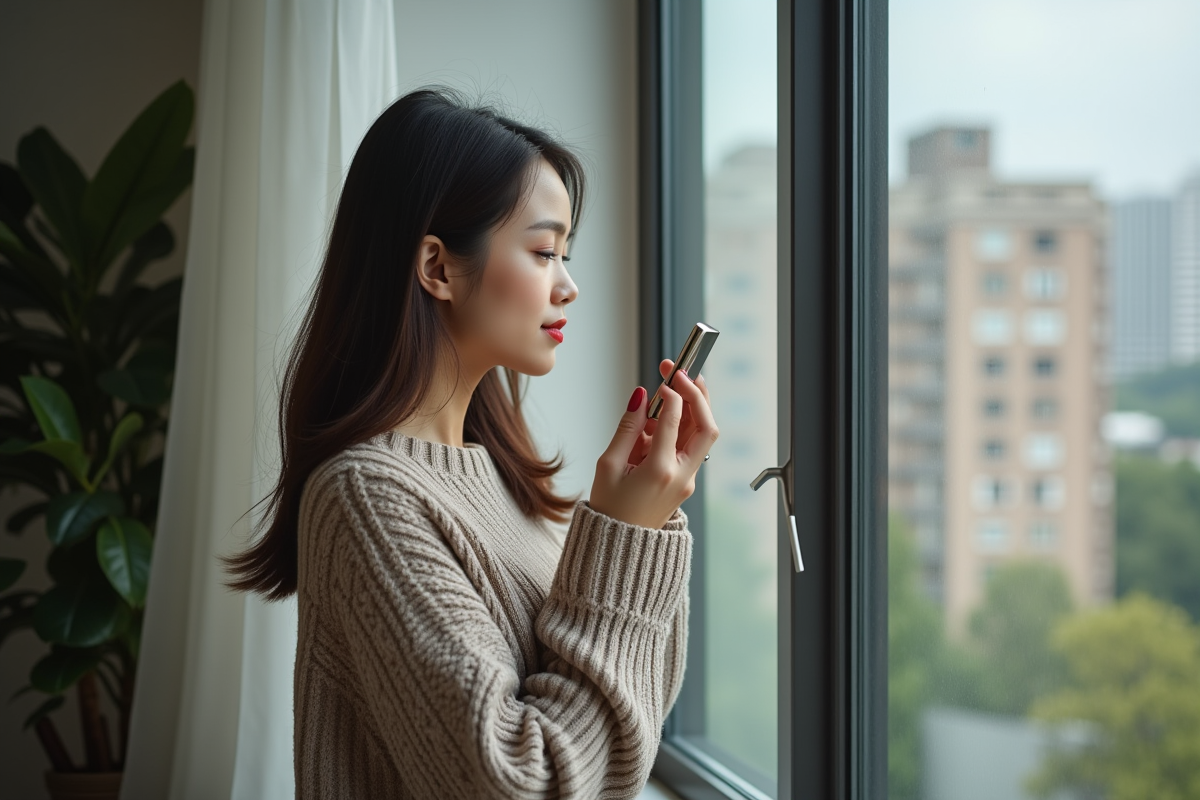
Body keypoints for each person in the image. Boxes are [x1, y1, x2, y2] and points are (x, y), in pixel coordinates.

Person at [223, 87, 718, 799]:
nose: (568, 286)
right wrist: (621, 534)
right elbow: (523, 782)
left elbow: (624, 739)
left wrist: (642, 527)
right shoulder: (366, 496)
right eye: (545, 251)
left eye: (565, 254)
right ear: (438, 268)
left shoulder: (502, 480)